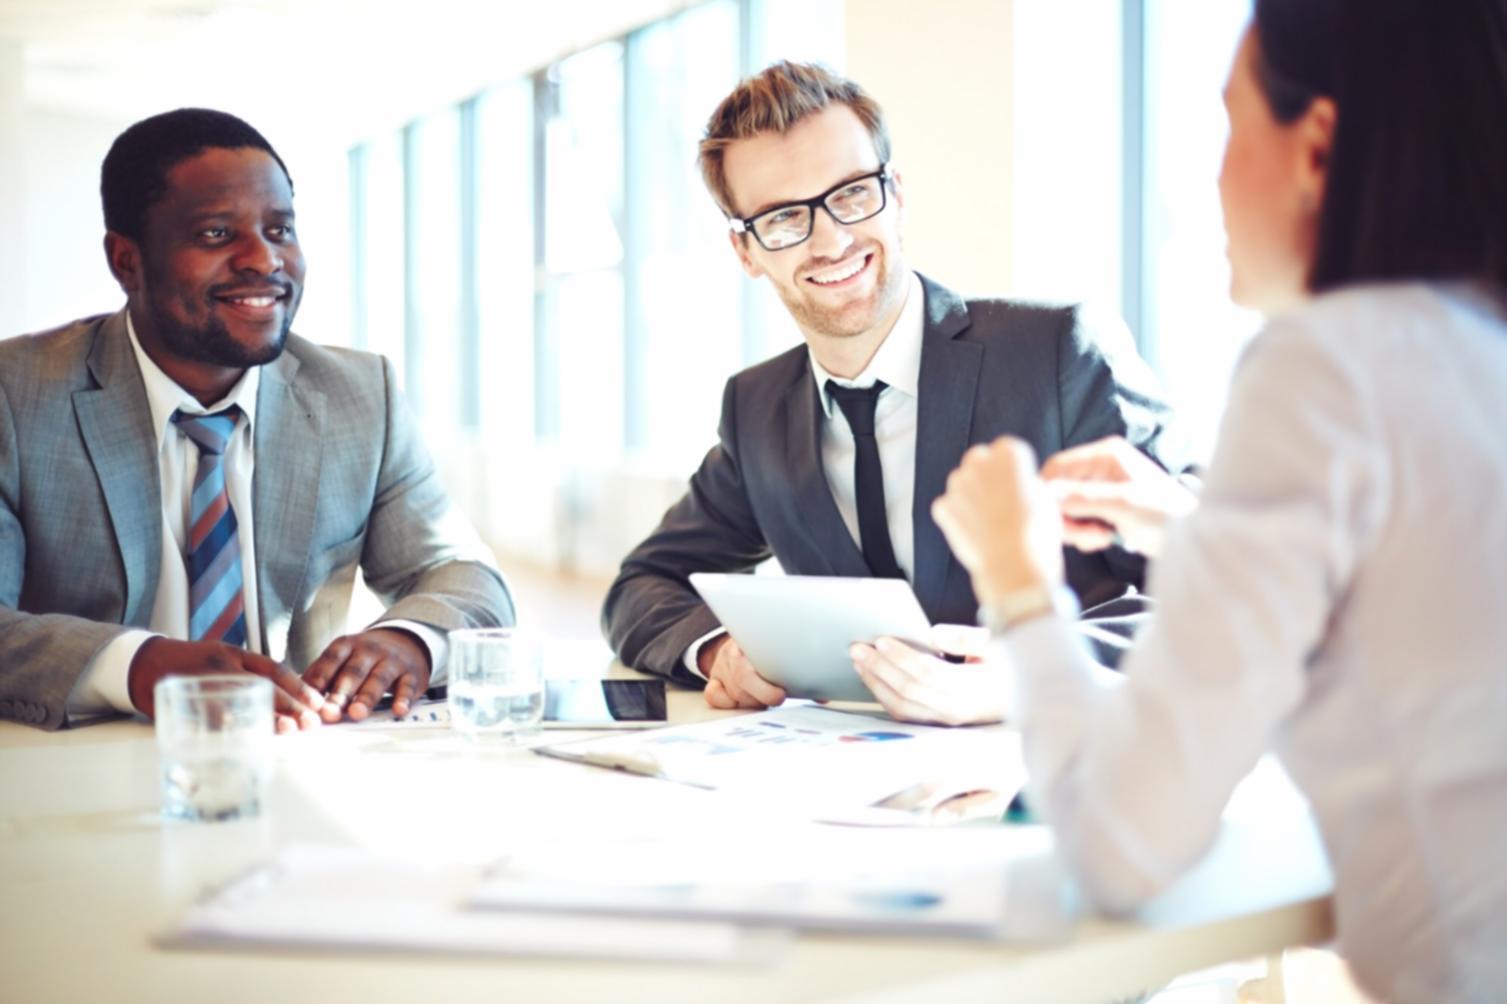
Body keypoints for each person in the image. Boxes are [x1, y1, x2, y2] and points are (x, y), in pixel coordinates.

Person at [927, 1, 1507, 999]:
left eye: (1230, 122)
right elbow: (1434, 568)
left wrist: (1017, 583)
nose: (1209, 174)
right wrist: (1183, 521)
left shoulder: (1323, 368)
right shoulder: (1467, 349)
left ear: (1315, 145)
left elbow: (1118, 842)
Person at [602, 62, 1190, 723]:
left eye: (851, 194)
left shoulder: (1055, 353)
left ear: (897, 193)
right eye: (783, 218)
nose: (831, 240)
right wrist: (719, 652)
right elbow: (642, 586)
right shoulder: (756, 409)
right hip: (852, 790)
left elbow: (1217, 569)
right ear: (746, 252)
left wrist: (1037, 672)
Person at [0, 109, 515, 732]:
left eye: (280, 229)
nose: (263, 260)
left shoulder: (358, 396)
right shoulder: (18, 394)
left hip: (288, 757)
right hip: (69, 770)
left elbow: (467, 577)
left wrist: (409, 638)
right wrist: (138, 667)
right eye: (218, 235)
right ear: (127, 260)